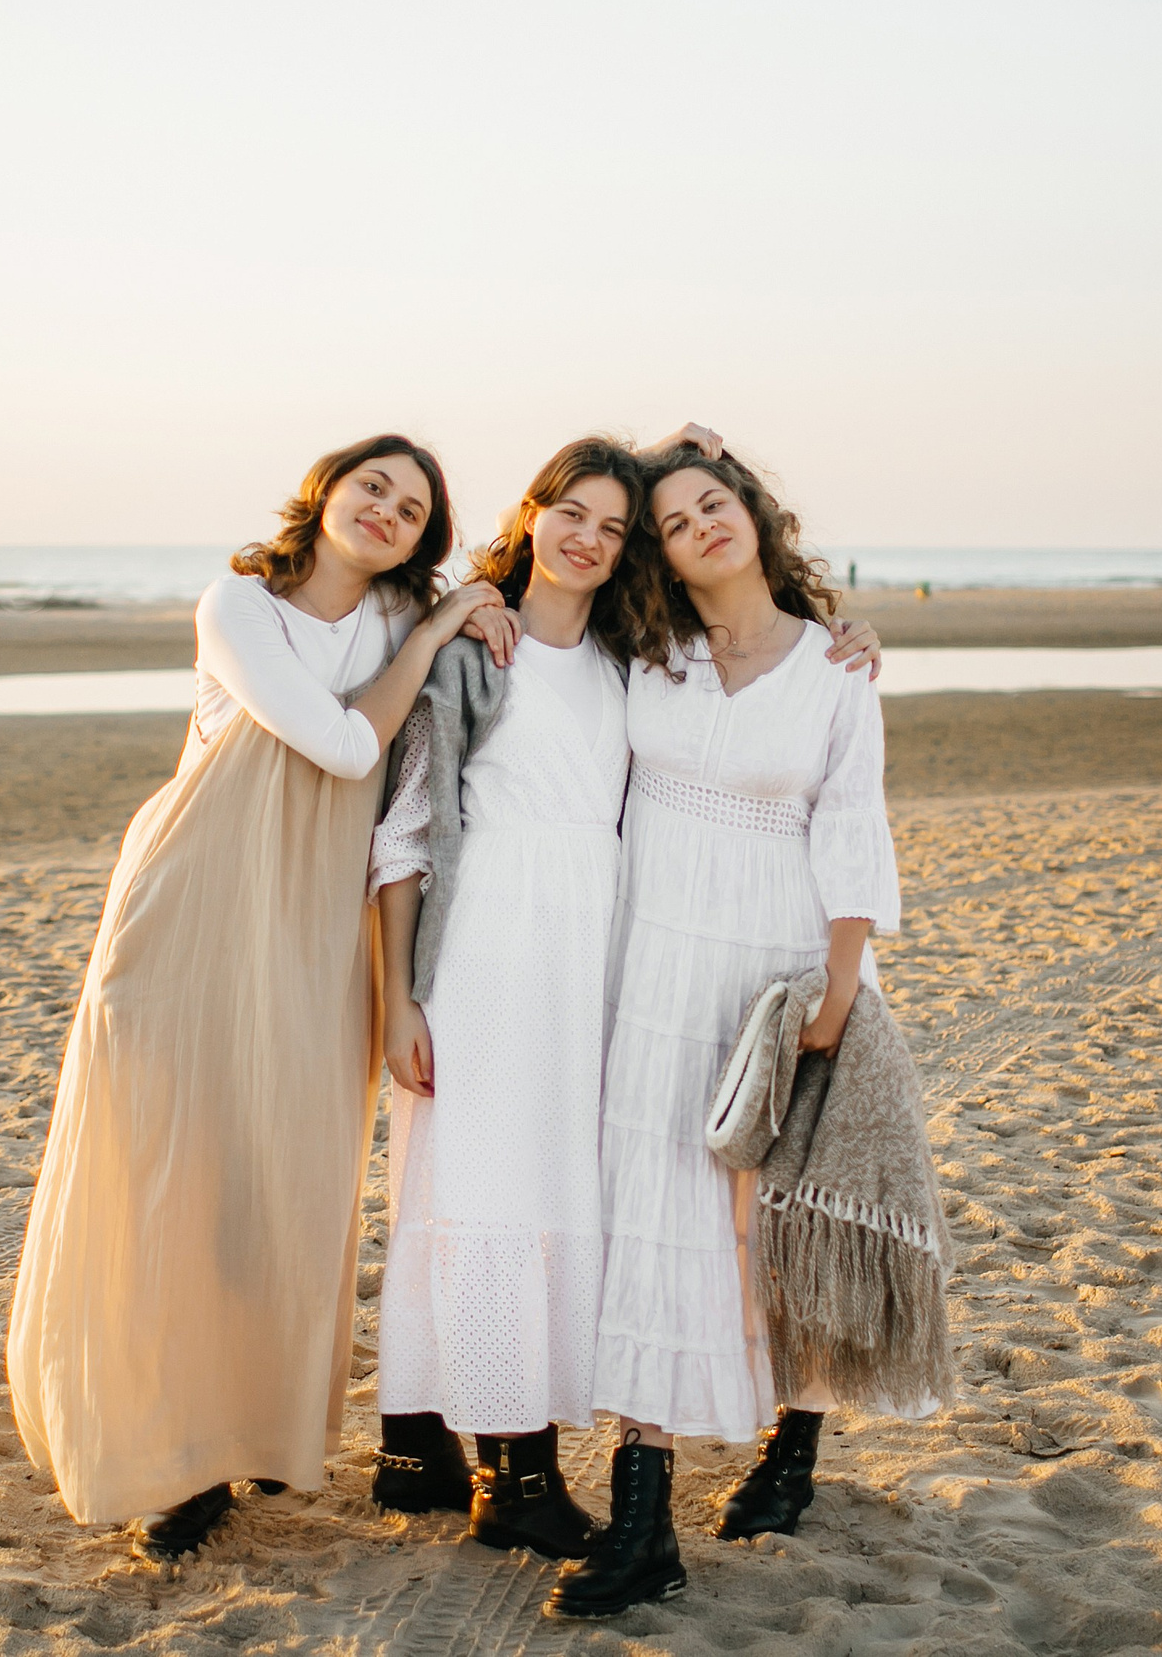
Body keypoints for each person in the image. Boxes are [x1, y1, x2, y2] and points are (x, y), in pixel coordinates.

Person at [5, 433, 517, 1564]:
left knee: (276, 1185)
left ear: (425, 536)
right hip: (189, 904)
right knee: (166, 1174)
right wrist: (436, 626)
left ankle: (235, 1432)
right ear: (325, 492)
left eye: (411, 505)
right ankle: (166, 1458)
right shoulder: (238, 605)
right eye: (370, 485)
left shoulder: (392, 622)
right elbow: (341, 745)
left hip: (311, 927)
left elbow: (567, 546)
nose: (385, 508)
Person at [552, 441, 905, 1620]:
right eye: (675, 518)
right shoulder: (643, 655)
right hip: (648, 970)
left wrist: (837, 995)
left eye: (717, 502)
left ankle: (791, 1443)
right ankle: (643, 1513)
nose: (702, 523)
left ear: (753, 516)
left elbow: (853, 831)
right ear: (656, 549)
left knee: (774, 1223)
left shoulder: (835, 671)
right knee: (653, 1211)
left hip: (775, 977)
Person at [365, 437, 658, 1559]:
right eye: (569, 512)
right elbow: (403, 836)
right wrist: (399, 1003)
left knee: (550, 1189)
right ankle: (513, 1479)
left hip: (588, 952)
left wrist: (688, 448)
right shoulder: (471, 652)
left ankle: (452, 1451)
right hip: (484, 946)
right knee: (476, 1193)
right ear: (532, 514)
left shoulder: (632, 658)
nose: (586, 538)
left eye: (612, 526)